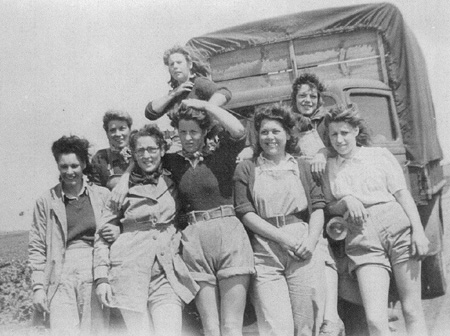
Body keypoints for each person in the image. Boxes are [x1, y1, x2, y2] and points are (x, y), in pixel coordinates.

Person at [113, 99, 254, 336]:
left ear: (204, 132)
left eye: (194, 132)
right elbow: (144, 156)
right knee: (210, 327)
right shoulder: (173, 161)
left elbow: (239, 130)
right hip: (194, 241)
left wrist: (205, 106)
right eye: (183, 132)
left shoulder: (222, 154)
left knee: (231, 326)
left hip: (229, 235)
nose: (188, 138)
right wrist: (125, 178)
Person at [322, 104, 430, 336]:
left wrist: (419, 231)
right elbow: (330, 205)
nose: (339, 140)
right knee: (375, 319)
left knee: (412, 309)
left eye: (344, 133)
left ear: (356, 132)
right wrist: (347, 201)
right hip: (360, 236)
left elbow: (402, 195)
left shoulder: (379, 155)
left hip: (396, 226)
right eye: (334, 134)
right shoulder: (330, 166)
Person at [94, 125, 198, 336]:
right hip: (128, 273)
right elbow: (102, 237)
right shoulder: (120, 189)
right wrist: (101, 278)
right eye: (140, 151)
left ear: (162, 150)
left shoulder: (174, 181)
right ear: (133, 154)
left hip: (166, 272)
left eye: (152, 149)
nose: (146, 155)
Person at [233, 104, 326, 336]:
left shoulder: (302, 166)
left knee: (306, 324)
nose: (270, 137)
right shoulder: (247, 168)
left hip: (302, 246)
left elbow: (317, 208)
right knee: (276, 326)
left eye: (276, 131)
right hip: (265, 248)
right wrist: (283, 239)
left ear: (287, 134)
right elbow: (245, 213)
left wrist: (311, 241)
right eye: (264, 132)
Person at [28, 135, 109, 336]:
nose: (70, 172)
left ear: (83, 164)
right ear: (58, 166)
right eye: (64, 167)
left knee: (96, 330)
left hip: (94, 267)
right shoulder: (46, 201)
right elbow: (37, 246)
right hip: (60, 271)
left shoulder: (102, 196)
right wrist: (38, 286)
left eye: (74, 165)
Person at [292, 73, 344, 336]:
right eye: (302, 96)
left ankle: (331, 317)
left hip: (331, 190)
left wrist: (323, 151)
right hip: (305, 194)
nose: (308, 100)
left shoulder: (328, 120)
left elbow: (343, 143)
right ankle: (325, 319)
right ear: (294, 99)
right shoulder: (290, 124)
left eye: (312, 96)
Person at [145, 45, 232, 122]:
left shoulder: (198, 82)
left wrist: (206, 106)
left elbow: (224, 92)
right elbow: (150, 113)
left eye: (179, 62)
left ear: (190, 64)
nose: (175, 66)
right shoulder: (176, 94)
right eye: (171, 64)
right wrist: (173, 94)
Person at [91, 110, 133, 190]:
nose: (118, 134)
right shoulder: (100, 158)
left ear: (129, 130)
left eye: (122, 129)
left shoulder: (140, 154)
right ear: (107, 134)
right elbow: (96, 192)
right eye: (112, 130)